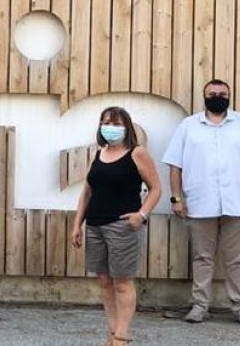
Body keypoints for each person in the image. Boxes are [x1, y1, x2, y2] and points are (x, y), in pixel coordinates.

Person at [162, 79, 240, 328]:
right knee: (202, 257)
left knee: (238, 259)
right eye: (213, 93)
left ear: (229, 96)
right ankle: (200, 306)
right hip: (200, 203)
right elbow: (175, 165)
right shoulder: (188, 127)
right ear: (204, 96)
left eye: (222, 93)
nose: (218, 96)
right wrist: (176, 198)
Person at [70, 106, 162, 346]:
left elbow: (156, 189)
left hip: (122, 227)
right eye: (105, 122)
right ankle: (112, 333)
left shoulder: (137, 153)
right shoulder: (100, 154)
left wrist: (141, 215)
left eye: (116, 123)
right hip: (96, 225)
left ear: (126, 127)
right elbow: (87, 192)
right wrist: (77, 224)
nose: (110, 127)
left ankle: (122, 336)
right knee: (104, 281)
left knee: (122, 281)